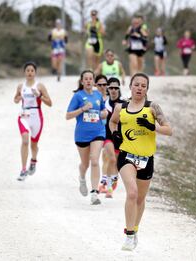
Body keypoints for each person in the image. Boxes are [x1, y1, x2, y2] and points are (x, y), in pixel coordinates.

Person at [109, 73, 173, 251]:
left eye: (143, 86)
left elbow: (169, 130)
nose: (139, 88)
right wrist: (114, 133)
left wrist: (153, 127)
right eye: (136, 84)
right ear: (130, 86)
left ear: (147, 89)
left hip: (146, 159)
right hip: (127, 156)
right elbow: (113, 122)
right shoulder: (120, 107)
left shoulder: (152, 108)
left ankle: (135, 228)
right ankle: (129, 235)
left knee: (140, 199)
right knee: (132, 193)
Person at [66, 70, 108, 205]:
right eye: (86, 79)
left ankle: (95, 193)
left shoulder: (98, 95)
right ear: (82, 81)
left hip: (98, 132)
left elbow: (103, 111)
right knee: (85, 163)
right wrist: (82, 109)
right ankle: (82, 178)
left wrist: (104, 113)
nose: (89, 81)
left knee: (95, 160)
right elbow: (68, 115)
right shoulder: (78, 96)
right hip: (82, 134)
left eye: (91, 79)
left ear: (94, 81)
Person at [14, 61, 52, 181]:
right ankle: (23, 169)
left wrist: (39, 96)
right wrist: (18, 98)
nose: (30, 73)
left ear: (35, 72)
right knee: (25, 140)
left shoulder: (39, 86)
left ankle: (33, 160)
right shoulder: (21, 86)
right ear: (24, 72)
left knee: (34, 144)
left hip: (37, 116)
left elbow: (50, 103)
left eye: (32, 71)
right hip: (24, 115)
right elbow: (15, 99)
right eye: (27, 70)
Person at [99, 77, 125, 198]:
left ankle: (113, 178)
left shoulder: (124, 104)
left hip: (120, 137)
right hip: (107, 136)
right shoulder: (103, 103)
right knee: (111, 159)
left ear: (119, 89)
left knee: (116, 161)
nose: (113, 90)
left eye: (116, 88)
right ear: (107, 89)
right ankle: (108, 186)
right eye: (111, 88)